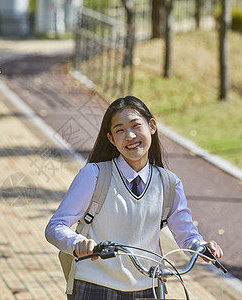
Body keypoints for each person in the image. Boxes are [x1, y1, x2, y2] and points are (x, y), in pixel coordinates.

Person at [45, 96, 223, 299]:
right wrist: (77, 243)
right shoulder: (94, 175)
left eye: (136, 126)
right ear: (111, 139)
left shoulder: (169, 183)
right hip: (95, 287)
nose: (130, 135)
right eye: (120, 130)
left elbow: (187, 237)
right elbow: (55, 226)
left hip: (149, 289)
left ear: (152, 126)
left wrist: (201, 248)